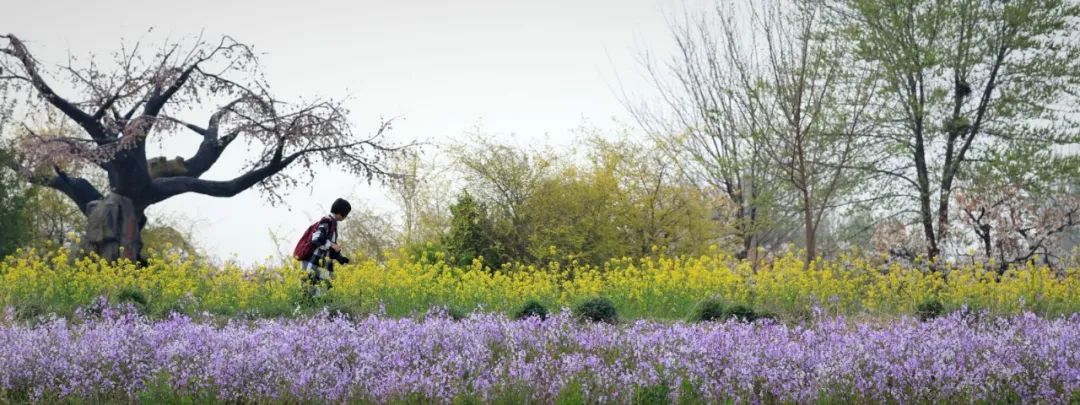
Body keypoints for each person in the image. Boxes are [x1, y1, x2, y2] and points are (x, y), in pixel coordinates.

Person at [299, 198, 352, 292]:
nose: (346, 217)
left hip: (319, 266)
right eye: (346, 214)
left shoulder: (333, 224)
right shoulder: (327, 221)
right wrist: (332, 245)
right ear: (341, 213)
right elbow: (316, 239)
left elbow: (326, 248)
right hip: (311, 264)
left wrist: (340, 257)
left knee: (323, 295)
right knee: (308, 296)